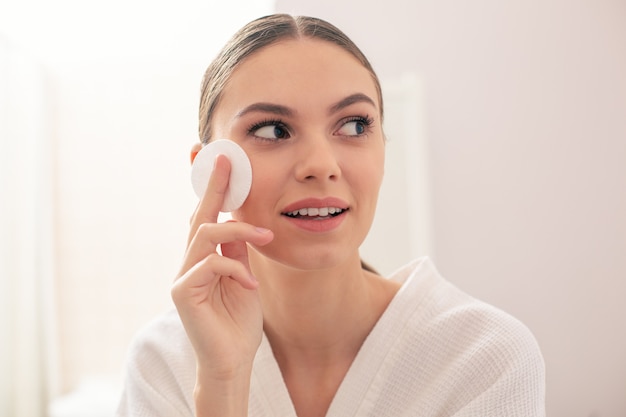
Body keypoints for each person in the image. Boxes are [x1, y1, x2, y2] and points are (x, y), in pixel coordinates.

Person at [116, 13, 545, 417]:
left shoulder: (486, 357)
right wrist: (221, 384)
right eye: (272, 130)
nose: (321, 165)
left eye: (355, 125)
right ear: (208, 169)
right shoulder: (163, 364)